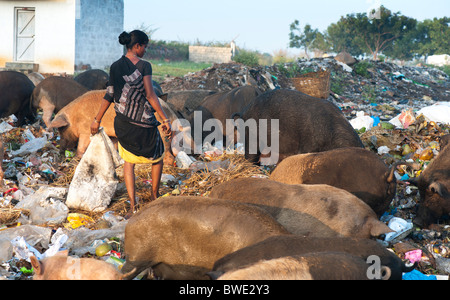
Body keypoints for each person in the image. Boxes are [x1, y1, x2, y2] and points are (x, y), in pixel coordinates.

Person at [91, 30, 172, 218]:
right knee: (157, 157)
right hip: (143, 123)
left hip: (124, 124)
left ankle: (133, 206)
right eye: (144, 47)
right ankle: (154, 196)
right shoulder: (145, 66)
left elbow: (109, 94)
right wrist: (164, 118)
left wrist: (97, 119)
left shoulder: (115, 66)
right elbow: (151, 95)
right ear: (137, 46)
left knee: (129, 163)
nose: (145, 50)